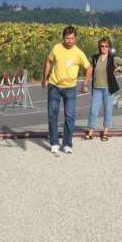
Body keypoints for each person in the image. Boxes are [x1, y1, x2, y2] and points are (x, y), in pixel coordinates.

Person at [41, 26, 92, 154]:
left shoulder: (78, 53)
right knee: (52, 114)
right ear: (63, 38)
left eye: (72, 38)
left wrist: (85, 83)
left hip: (70, 87)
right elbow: (48, 62)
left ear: (75, 39)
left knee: (69, 116)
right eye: (67, 38)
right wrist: (45, 78)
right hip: (54, 86)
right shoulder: (56, 48)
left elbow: (89, 68)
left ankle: (67, 143)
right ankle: (54, 143)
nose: (69, 41)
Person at [84, 37, 122, 141]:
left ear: (109, 47)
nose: (104, 48)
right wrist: (85, 83)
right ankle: (90, 131)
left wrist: (119, 68)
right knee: (93, 110)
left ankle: (105, 132)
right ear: (99, 47)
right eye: (102, 46)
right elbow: (90, 69)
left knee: (107, 110)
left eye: (106, 46)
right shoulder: (95, 58)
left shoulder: (113, 58)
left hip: (108, 89)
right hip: (96, 88)